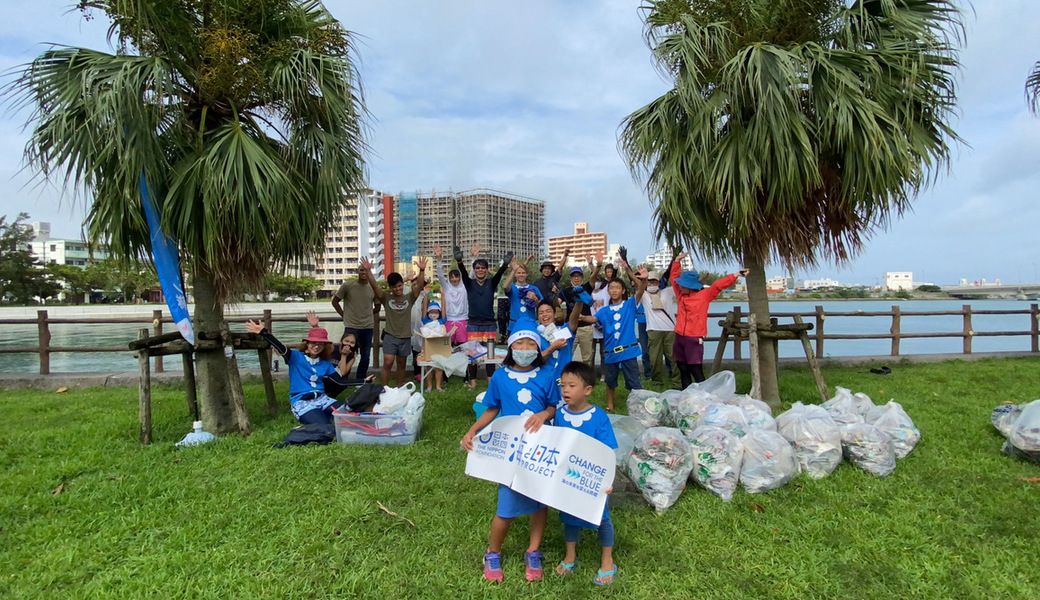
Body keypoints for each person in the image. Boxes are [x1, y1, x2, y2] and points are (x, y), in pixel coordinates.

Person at [461, 318, 560, 583]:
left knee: (540, 502)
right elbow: (492, 408)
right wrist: (473, 429)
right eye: (520, 343)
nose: (525, 348)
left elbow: (552, 407)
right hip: (512, 451)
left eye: (531, 343)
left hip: (541, 447)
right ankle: (493, 552)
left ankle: (534, 550)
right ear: (511, 346)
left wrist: (543, 414)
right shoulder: (501, 377)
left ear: (538, 349)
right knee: (507, 504)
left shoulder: (548, 374)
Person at [553, 361, 618, 586]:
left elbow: (608, 451)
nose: (566, 391)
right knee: (569, 514)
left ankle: (607, 559)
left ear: (588, 390)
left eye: (572, 386)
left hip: (594, 478)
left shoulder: (598, 416)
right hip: (568, 476)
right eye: (563, 386)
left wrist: (608, 480)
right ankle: (570, 554)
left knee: (602, 517)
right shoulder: (560, 415)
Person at [245, 310, 372, 424]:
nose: (316, 347)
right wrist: (264, 332)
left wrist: (364, 381)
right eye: (313, 343)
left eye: (320, 344)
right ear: (307, 343)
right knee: (323, 425)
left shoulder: (325, 363)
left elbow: (339, 381)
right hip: (302, 401)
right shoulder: (295, 357)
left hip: (323, 399)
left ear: (324, 347)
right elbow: (280, 346)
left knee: (349, 416)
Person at [671, 251, 749, 387]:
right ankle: (687, 397)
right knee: (682, 368)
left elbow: (718, 285)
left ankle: (705, 397)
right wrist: (677, 261)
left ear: (690, 287)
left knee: (695, 369)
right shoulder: (681, 295)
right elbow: (673, 277)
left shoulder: (704, 295)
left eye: (683, 285)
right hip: (679, 336)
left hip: (694, 337)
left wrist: (737, 274)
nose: (680, 286)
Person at [580, 250, 644, 411]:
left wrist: (630, 271)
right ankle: (610, 404)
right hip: (610, 352)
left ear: (623, 291)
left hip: (628, 351)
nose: (614, 290)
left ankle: (638, 406)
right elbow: (593, 319)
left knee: (634, 382)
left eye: (618, 288)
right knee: (610, 381)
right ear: (608, 291)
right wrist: (579, 317)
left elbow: (641, 288)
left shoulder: (630, 305)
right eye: (612, 288)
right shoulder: (604, 310)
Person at [359, 255, 427, 387]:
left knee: (401, 364)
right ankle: (384, 389)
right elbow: (374, 287)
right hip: (390, 335)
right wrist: (368, 271)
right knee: (388, 362)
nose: (397, 289)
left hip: (405, 336)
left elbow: (418, 287)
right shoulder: (386, 298)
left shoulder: (409, 297)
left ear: (403, 284)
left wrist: (422, 271)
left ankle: (399, 387)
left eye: (400, 286)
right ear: (390, 287)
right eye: (394, 287)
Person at [455, 244, 511, 388]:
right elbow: (462, 272)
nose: (480, 270)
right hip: (473, 324)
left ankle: (490, 381)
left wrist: (505, 264)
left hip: (490, 325)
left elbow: (499, 274)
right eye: (477, 268)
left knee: (490, 354)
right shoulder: (469, 283)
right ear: (474, 270)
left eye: (483, 268)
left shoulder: (491, 283)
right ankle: (472, 382)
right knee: (472, 354)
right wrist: (459, 261)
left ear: (486, 270)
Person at [331, 266, 380, 379]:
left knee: (366, 356)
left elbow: (377, 307)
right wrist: (344, 315)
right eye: (361, 270)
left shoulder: (373, 288)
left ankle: (360, 379)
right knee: (347, 352)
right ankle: (343, 376)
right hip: (351, 326)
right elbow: (335, 302)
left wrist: (366, 314)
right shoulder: (347, 286)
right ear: (357, 272)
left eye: (366, 270)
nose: (363, 272)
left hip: (367, 327)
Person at [636, 267, 681, 389]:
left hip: (670, 330)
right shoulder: (644, 295)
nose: (652, 284)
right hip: (653, 330)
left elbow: (678, 284)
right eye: (650, 282)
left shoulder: (667, 292)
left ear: (659, 283)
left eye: (654, 282)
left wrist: (676, 263)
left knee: (673, 357)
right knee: (654, 358)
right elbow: (636, 283)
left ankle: (678, 382)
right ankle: (657, 382)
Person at [559, 254, 602, 367]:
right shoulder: (566, 291)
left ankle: (587, 380)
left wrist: (598, 265)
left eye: (579, 276)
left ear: (582, 277)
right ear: (570, 278)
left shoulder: (586, 288)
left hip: (585, 328)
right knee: (566, 354)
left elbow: (594, 277)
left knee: (587, 357)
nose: (576, 278)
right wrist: (553, 294)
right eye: (574, 276)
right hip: (569, 328)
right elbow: (556, 303)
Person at [535, 297, 584, 383]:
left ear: (554, 314)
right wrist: (552, 347)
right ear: (538, 317)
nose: (545, 315)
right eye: (541, 313)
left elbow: (574, 317)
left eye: (548, 311)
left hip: (564, 381)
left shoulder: (564, 330)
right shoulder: (535, 336)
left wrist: (579, 301)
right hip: (544, 382)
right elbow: (535, 360)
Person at [432, 243, 469, 347]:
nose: (454, 279)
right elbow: (440, 276)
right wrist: (439, 260)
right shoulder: (447, 288)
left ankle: (466, 363)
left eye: (456, 277)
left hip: (463, 320)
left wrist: (474, 258)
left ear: (460, 277)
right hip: (449, 320)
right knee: (448, 347)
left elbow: (470, 276)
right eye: (451, 277)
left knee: (464, 347)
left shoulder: (465, 287)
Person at [502, 255, 543, 332]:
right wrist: (513, 270)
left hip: (530, 324)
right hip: (515, 324)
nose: (521, 275)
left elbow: (542, 305)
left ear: (526, 274)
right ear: (515, 274)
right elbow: (505, 287)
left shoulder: (534, 288)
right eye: (519, 273)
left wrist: (535, 299)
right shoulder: (513, 288)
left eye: (523, 273)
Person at [420, 300, 447, 392]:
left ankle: (438, 386)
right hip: (428, 347)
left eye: (436, 312)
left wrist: (443, 295)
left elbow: (444, 308)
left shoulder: (441, 321)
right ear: (428, 312)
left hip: (438, 347)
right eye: (432, 312)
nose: (434, 314)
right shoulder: (425, 320)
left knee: (439, 367)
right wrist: (426, 295)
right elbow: (423, 310)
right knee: (428, 367)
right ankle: (429, 386)